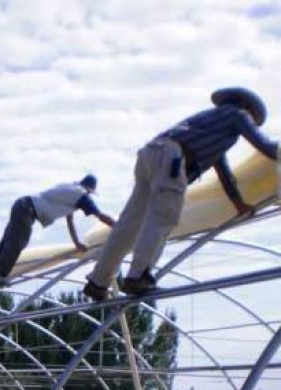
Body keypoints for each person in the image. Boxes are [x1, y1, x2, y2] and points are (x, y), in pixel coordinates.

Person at [84, 87, 279, 301]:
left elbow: (224, 172)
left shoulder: (210, 127)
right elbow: (267, 147)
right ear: (245, 106)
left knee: (130, 225)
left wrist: (238, 203)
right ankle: (137, 277)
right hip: (172, 158)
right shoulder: (237, 115)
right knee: (163, 217)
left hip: (151, 154)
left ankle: (97, 282)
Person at [0, 174, 115, 290]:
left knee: (6, 245)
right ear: (89, 189)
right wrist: (118, 226)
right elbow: (100, 215)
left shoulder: (70, 189)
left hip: (22, 205)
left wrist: (77, 243)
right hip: (28, 210)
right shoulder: (81, 195)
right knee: (16, 244)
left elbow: (70, 220)